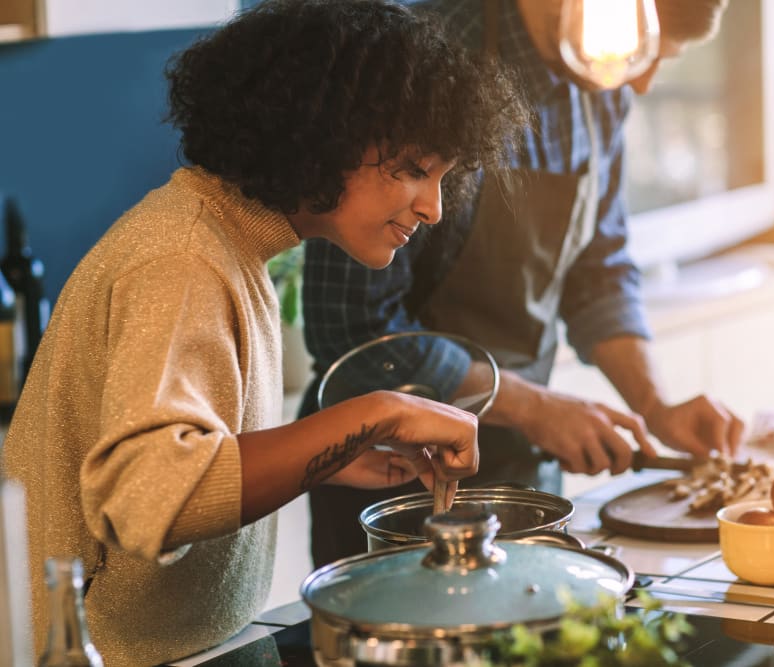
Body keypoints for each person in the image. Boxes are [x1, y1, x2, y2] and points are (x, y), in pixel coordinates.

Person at [0, 1, 527, 664]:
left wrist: (330, 453)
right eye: (417, 169)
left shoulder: (228, 243)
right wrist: (379, 409)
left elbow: (196, 452)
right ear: (327, 132)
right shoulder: (182, 257)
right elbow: (151, 496)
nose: (434, 207)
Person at [300, 0, 745, 568]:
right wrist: (534, 408)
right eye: (646, 48)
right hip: (393, 486)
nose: (645, 81)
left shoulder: (602, 83)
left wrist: (656, 406)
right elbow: (357, 333)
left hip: (521, 474)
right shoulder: (417, 57)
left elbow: (598, 270)